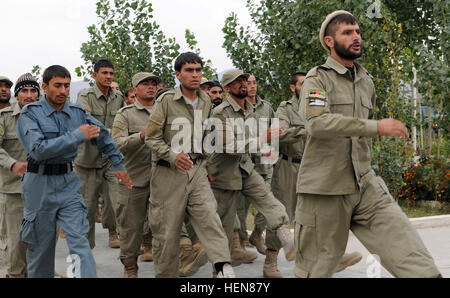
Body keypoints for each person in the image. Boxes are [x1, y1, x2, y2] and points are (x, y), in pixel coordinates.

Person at [295, 10, 441, 278]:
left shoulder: (366, 81)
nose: (356, 37)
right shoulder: (318, 79)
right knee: (314, 271)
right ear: (329, 41)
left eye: (358, 32)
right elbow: (317, 124)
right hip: (325, 191)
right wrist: (376, 127)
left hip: (365, 185)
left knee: (410, 253)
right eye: (347, 32)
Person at [16, 65, 132, 278]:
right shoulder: (30, 114)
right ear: (44, 87)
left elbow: (103, 135)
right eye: (57, 85)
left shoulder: (77, 113)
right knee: (41, 249)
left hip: (68, 183)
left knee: (80, 241)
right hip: (39, 186)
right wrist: (77, 136)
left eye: (67, 86)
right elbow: (38, 150)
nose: (63, 90)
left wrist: (118, 165)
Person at [145, 52, 234, 278]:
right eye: (189, 70)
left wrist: (207, 165)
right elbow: (151, 139)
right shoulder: (165, 101)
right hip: (168, 174)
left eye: (198, 70)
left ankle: (223, 270)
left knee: (211, 220)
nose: (195, 75)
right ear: (178, 75)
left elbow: (206, 137)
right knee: (166, 234)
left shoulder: (205, 101)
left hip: (197, 172)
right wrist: (173, 155)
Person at [207, 69, 295, 270]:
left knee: (271, 202)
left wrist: (267, 155)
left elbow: (259, 142)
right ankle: (220, 270)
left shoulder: (252, 110)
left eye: (245, 80)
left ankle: (289, 242)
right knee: (225, 228)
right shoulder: (220, 113)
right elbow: (230, 147)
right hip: (223, 174)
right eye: (237, 82)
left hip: (247, 169)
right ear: (227, 88)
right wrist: (263, 138)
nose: (244, 84)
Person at [112, 72, 160, 277]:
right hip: (134, 180)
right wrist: (139, 136)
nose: (150, 87)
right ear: (134, 90)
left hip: (162, 180)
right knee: (130, 227)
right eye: (145, 84)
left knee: (166, 226)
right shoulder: (125, 114)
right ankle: (130, 267)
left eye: (153, 84)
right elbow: (116, 144)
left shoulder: (164, 110)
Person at [74, 59, 124, 249]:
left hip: (110, 158)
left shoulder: (118, 97)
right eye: (104, 73)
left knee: (115, 200)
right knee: (87, 206)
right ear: (95, 75)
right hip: (87, 159)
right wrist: (108, 131)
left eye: (111, 73)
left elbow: (122, 120)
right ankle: (85, 247)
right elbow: (85, 117)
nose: (108, 77)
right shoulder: (85, 96)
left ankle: (113, 231)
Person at [0, 73, 40, 278]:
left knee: (41, 239)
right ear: (17, 94)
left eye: (34, 91)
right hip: (14, 189)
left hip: (43, 190)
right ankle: (16, 275)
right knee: (16, 241)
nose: (29, 95)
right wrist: (12, 163)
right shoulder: (5, 118)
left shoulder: (48, 118)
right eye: (24, 91)